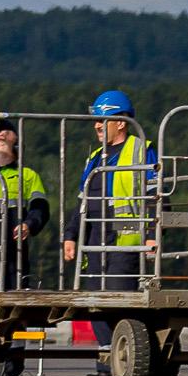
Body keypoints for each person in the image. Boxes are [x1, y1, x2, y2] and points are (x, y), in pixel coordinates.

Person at [66, 93, 149, 292]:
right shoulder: (95, 157)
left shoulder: (141, 150)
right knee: (94, 303)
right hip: (94, 238)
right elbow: (82, 202)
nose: (96, 125)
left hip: (124, 240)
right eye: (96, 120)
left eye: (102, 120)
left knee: (118, 298)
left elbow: (156, 195)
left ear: (121, 122)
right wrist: (70, 235)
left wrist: (153, 235)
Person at [0, 118, 48, 292]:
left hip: (13, 257)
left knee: (13, 294)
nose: (1, 135)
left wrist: (29, 224)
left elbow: (40, 207)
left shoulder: (27, 175)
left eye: (6, 133)